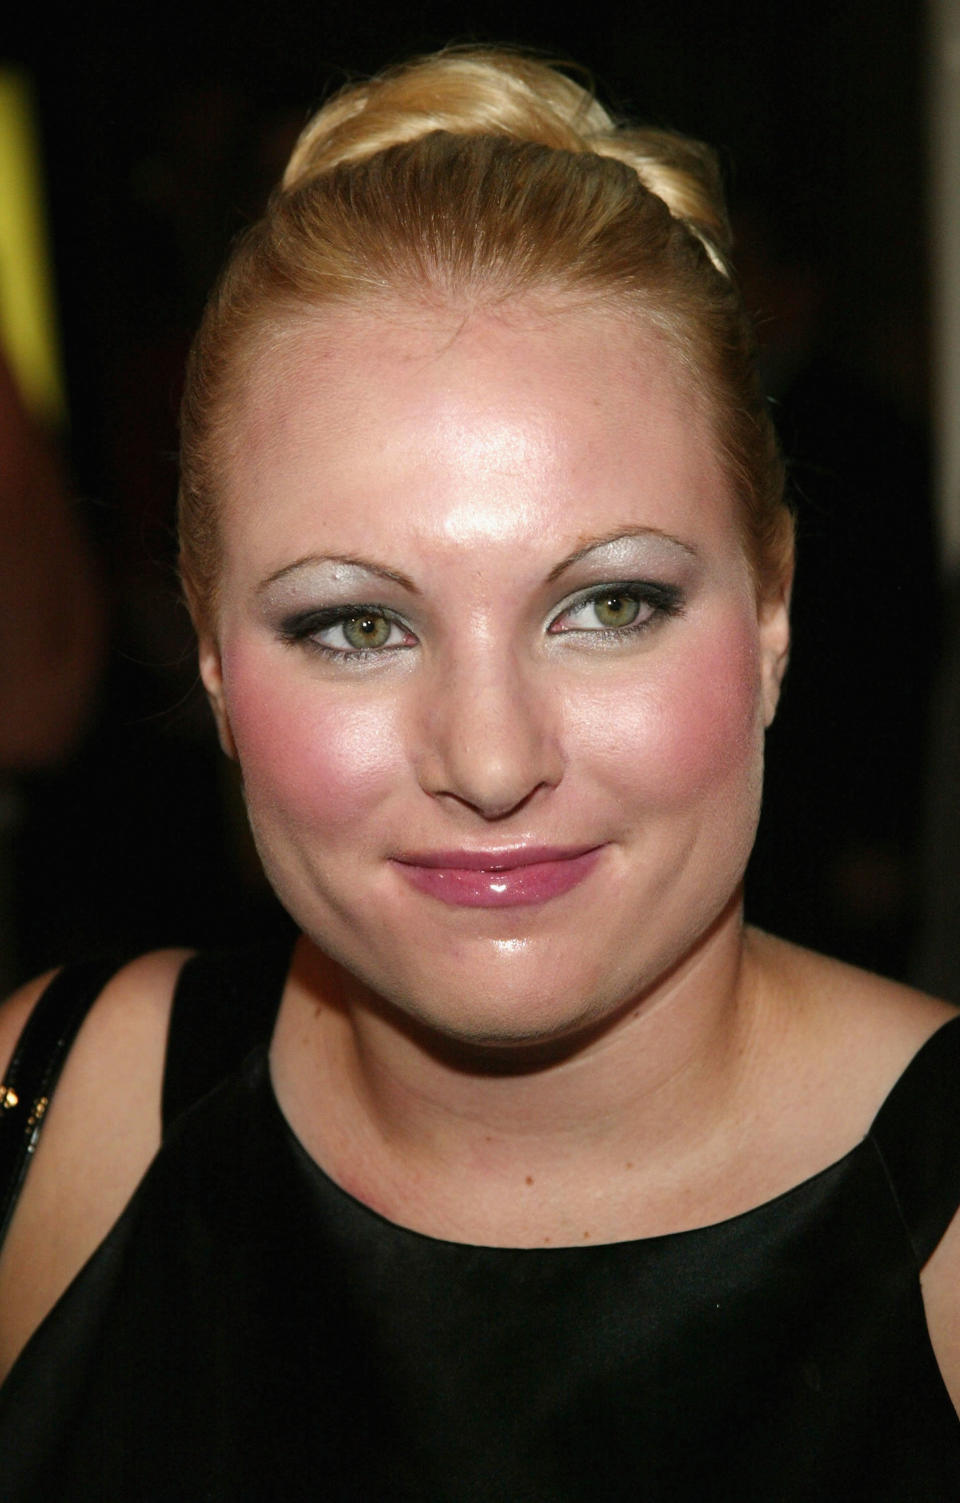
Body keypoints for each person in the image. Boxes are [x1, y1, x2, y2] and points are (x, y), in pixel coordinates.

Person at [0, 47, 958, 1498]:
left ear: (772, 616)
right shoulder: (51, 1129)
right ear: (209, 654)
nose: (493, 761)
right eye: (357, 625)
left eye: (610, 605)